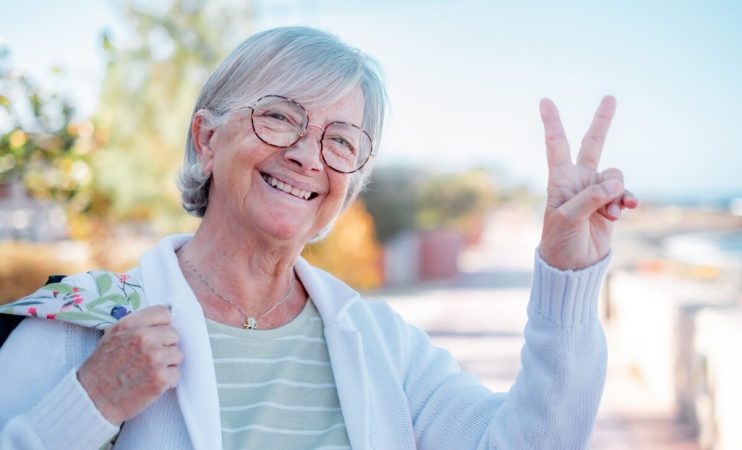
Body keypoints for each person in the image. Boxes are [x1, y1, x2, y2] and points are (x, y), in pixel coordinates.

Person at [0, 26, 637, 449]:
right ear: (206, 138)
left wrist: (566, 279)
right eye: (279, 116)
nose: (309, 155)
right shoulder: (83, 325)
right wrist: (89, 403)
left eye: (341, 141)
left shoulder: (382, 344)